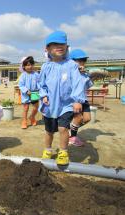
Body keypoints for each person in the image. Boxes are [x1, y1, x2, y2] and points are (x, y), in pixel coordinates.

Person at [39, 31, 85, 165]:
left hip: (67, 104)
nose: (59, 46)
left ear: (67, 46)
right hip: (50, 106)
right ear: (47, 49)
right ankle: (48, 149)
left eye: (62, 44)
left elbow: (77, 83)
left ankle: (63, 152)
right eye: (54, 44)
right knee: (49, 131)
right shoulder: (46, 66)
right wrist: (44, 95)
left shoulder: (71, 65)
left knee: (63, 128)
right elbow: (41, 85)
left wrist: (77, 100)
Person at [68, 49, 93, 146]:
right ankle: (72, 138)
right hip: (74, 100)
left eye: (83, 60)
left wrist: (91, 77)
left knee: (87, 119)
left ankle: (71, 129)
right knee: (78, 118)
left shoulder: (84, 73)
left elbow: (87, 86)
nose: (82, 62)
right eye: (79, 60)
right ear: (71, 61)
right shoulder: (71, 73)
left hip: (84, 99)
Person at [18, 56, 40, 129]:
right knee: (26, 108)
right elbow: (21, 85)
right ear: (24, 66)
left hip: (35, 92)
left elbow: (39, 83)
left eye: (31, 64)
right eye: (27, 65)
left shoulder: (36, 74)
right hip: (26, 94)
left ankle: (32, 117)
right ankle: (24, 121)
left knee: (36, 107)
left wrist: (40, 89)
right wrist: (26, 90)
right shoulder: (23, 75)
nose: (29, 67)